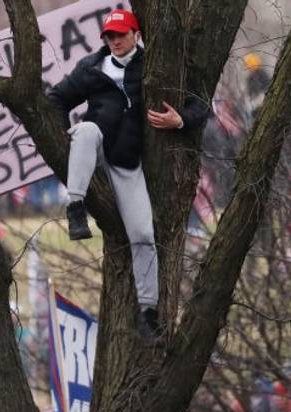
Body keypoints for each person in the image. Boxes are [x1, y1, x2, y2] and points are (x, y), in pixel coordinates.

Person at [46, 8, 210, 339]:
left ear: (136, 34)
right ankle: (75, 207)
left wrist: (180, 121)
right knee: (86, 130)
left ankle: (147, 312)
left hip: (126, 160)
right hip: (95, 148)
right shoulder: (91, 67)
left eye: (121, 34)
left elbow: (200, 103)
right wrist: (62, 141)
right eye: (110, 36)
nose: (115, 40)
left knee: (143, 235)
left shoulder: (154, 67)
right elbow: (56, 99)